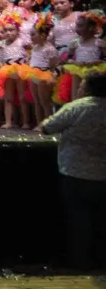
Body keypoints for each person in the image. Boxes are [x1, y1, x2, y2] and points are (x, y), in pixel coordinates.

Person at [39, 72, 106, 270]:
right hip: (103, 175)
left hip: (76, 172)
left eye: (82, 86)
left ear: (88, 89)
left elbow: (47, 128)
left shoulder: (77, 107)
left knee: (79, 219)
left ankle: (79, 262)